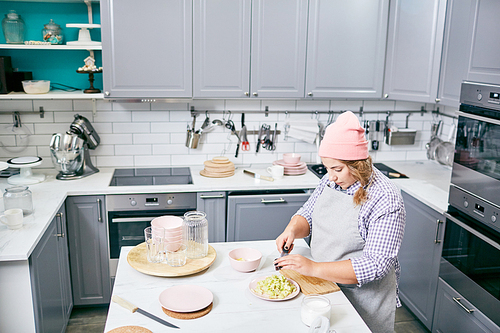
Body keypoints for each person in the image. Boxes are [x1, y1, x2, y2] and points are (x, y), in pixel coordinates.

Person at [274, 111, 406, 333]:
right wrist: (292, 229)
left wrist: (313, 267)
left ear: (358, 165)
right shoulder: (331, 180)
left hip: (363, 299)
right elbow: (308, 213)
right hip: (323, 286)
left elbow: (376, 264)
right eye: (327, 168)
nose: (331, 176)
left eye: (337, 169)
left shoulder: (386, 198)